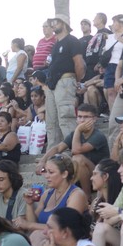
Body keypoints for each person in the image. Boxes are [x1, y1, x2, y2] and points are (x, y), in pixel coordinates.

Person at [14, 154, 88, 246]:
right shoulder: (47, 194)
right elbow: (34, 223)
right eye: (45, 171)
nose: (46, 176)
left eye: (51, 172)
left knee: (37, 235)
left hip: (69, 242)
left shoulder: (76, 195)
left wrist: (28, 225)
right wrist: (29, 204)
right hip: (47, 241)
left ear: (64, 174)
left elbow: (65, 227)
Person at [34, 104, 109, 193]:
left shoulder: (98, 136)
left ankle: (86, 196)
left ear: (94, 119)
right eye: (79, 117)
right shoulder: (75, 134)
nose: (82, 120)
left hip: (99, 176)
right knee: (59, 160)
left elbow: (76, 150)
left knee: (78, 158)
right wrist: (43, 161)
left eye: (86, 117)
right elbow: (58, 148)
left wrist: (78, 129)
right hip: (81, 176)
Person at [45, 14, 86, 148]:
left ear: (64, 24)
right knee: (51, 121)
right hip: (53, 84)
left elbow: (79, 64)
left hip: (65, 81)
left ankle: (73, 149)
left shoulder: (72, 40)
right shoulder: (56, 44)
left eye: (56, 22)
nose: (53, 25)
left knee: (66, 118)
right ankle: (53, 154)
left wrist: (77, 81)